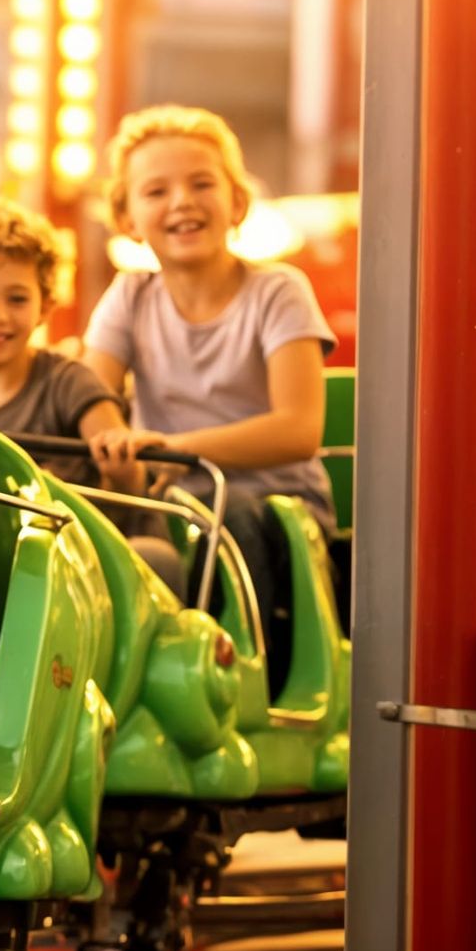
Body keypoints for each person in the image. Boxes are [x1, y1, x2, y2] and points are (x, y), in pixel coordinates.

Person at [81, 105, 335, 666]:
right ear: (127, 218)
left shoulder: (278, 292)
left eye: (201, 184)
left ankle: (239, 670)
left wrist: (174, 448)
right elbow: (87, 397)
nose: (182, 202)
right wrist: (114, 442)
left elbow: (299, 430)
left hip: (276, 506)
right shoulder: (131, 296)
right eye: (156, 191)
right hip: (172, 501)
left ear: (237, 203)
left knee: (231, 517)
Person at [0, 196, 183, 595]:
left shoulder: (68, 382)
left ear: (45, 306)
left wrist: (121, 463)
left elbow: (126, 470)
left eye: (17, 299)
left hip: (86, 564)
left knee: (155, 557)